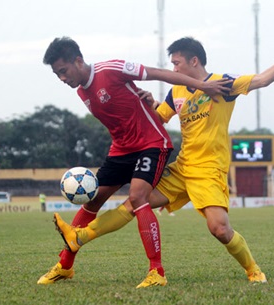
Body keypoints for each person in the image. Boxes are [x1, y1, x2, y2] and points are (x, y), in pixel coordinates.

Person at [53, 33, 274, 284]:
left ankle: (254, 270)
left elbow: (263, 79)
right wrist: (148, 103)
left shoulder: (223, 83)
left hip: (209, 170)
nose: (174, 69)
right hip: (182, 167)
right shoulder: (177, 92)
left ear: (194, 60)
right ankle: (80, 237)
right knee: (136, 202)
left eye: (177, 63)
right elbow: (159, 118)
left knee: (219, 229)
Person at [37, 36, 231, 288]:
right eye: (57, 75)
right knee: (93, 198)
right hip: (121, 151)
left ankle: (156, 272)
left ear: (78, 60)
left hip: (152, 144)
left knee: (139, 198)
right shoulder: (82, 91)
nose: (62, 78)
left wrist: (201, 86)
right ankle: (65, 266)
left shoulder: (111, 69)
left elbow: (159, 73)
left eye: (63, 71)